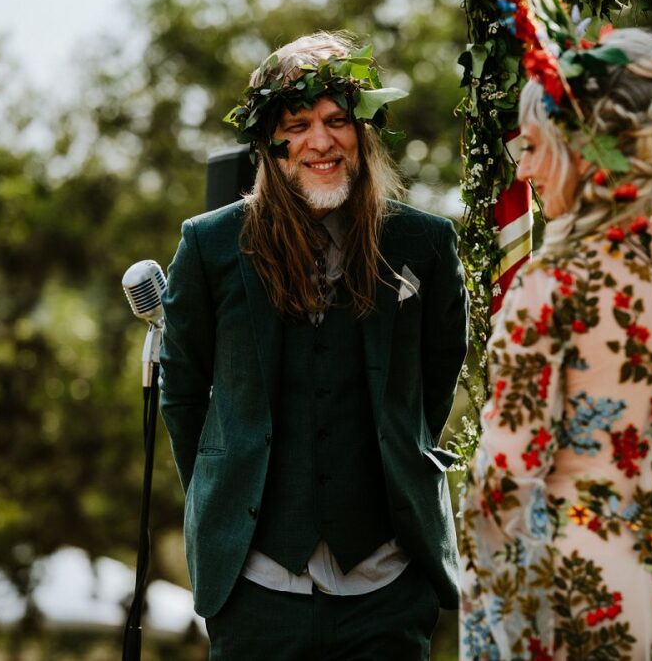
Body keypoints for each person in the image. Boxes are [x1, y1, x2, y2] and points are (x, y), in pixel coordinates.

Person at [159, 32, 468, 660]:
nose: (320, 142)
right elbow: (183, 393)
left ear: (365, 130)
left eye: (336, 121)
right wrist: (227, 491)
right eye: (297, 125)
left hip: (387, 583)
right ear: (269, 142)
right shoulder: (210, 245)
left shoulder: (425, 244)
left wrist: (393, 453)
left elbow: (435, 381)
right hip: (255, 590)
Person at [458, 20, 652, 661]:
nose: (524, 168)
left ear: (584, 151)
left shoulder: (552, 284)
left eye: (533, 146)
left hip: (577, 596)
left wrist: (492, 628)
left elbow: (503, 484)